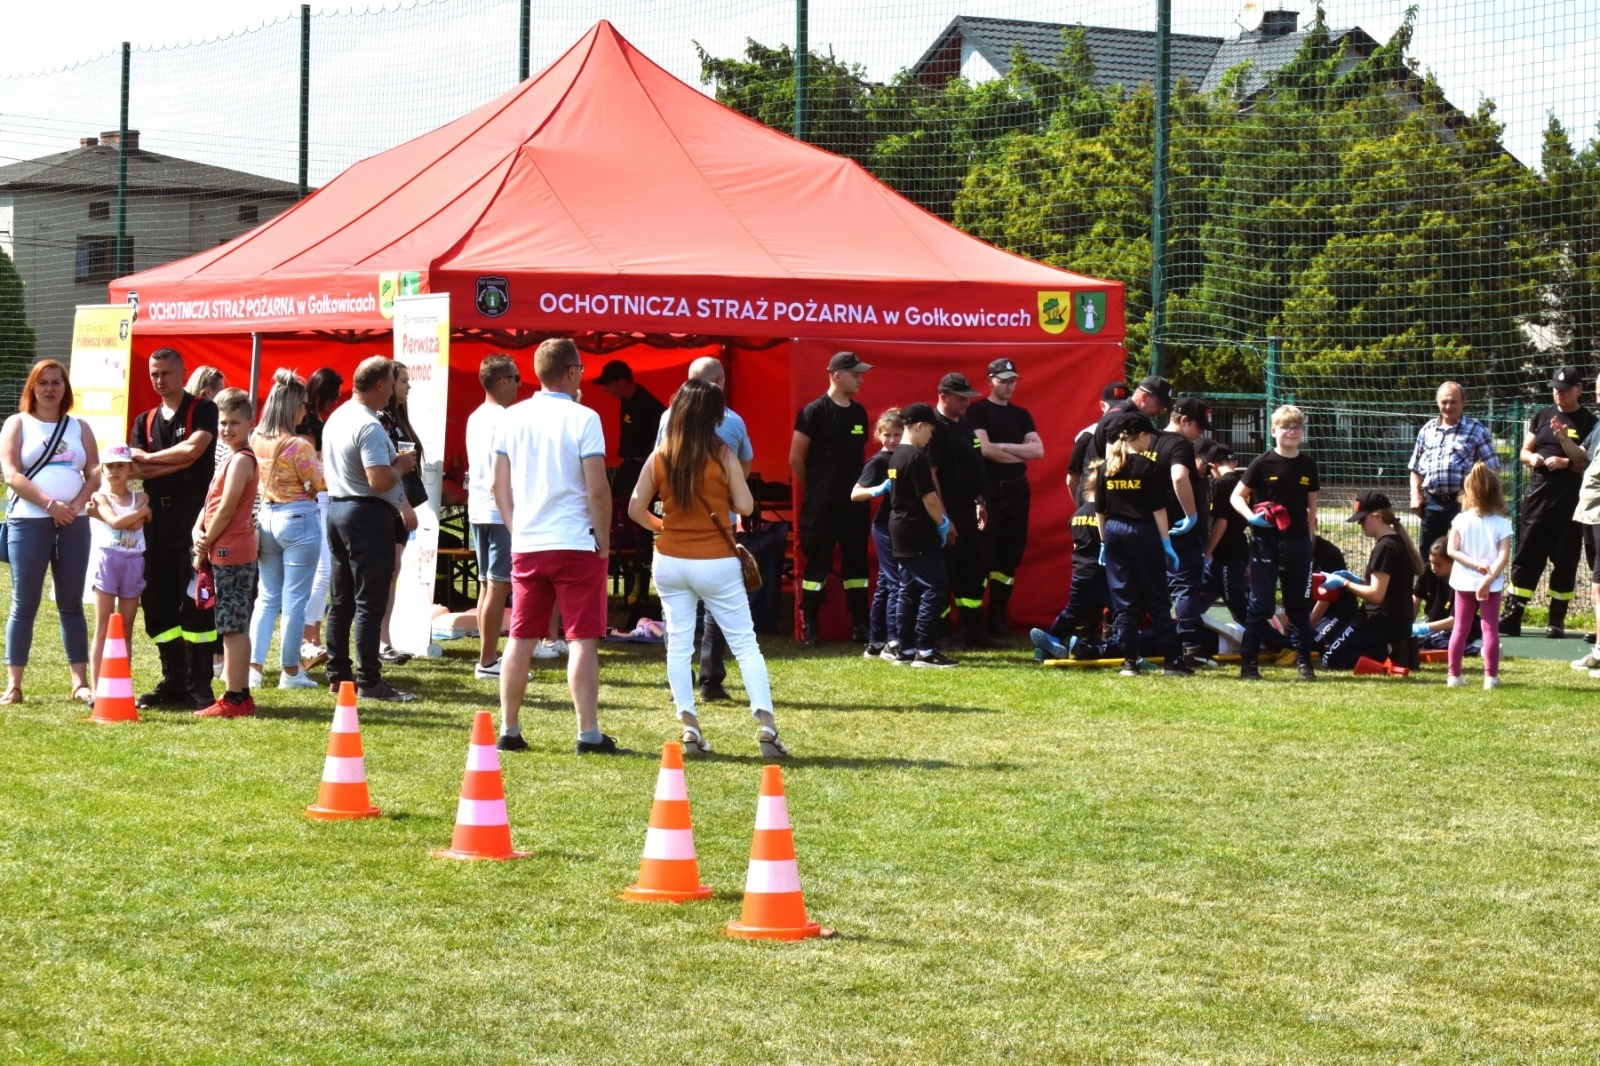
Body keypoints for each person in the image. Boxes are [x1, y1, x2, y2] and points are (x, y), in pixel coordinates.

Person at [628, 379, 785, 758]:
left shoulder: (661, 454)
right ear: (713, 416)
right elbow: (746, 507)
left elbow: (635, 509)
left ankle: (689, 727)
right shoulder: (722, 453)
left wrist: (663, 526)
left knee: (679, 644)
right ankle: (766, 727)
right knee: (746, 644)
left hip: (670, 559)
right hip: (716, 558)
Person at [492, 337, 627, 755]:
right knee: (582, 638)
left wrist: (517, 528)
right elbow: (598, 488)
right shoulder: (585, 418)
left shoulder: (510, 418)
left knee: (521, 637)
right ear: (571, 372)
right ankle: (587, 732)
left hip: (529, 541)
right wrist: (603, 540)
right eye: (582, 369)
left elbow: (499, 484)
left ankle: (509, 728)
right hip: (574, 541)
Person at [655, 356, 755, 700]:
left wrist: (660, 522)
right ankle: (711, 681)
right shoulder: (733, 421)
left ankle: (678, 681)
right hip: (718, 527)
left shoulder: (667, 418)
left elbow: (657, 464)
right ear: (721, 382)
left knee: (675, 612)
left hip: (675, 526)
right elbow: (744, 466)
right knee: (719, 607)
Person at [0, 360, 98, 704]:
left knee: (71, 602)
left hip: (75, 521)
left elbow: (95, 473)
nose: (50, 389)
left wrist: (75, 506)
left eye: (57, 383)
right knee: (24, 603)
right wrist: (50, 505)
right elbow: (11, 474)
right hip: (29, 520)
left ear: (65, 389)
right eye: (43, 383)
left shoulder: (79, 427)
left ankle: (79, 683)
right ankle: (14, 685)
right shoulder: (17, 424)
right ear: (32, 388)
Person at [321, 356, 417, 702]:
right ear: (379, 385)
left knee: (343, 599)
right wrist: (402, 466)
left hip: (338, 510)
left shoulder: (337, 417)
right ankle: (369, 680)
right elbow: (378, 480)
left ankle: (338, 675)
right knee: (369, 602)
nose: (393, 391)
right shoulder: (370, 425)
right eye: (392, 384)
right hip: (366, 513)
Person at [130, 347, 219, 709]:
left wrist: (153, 460)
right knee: (157, 597)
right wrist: (173, 460)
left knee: (196, 596)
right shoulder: (144, 420)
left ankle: (201, 685)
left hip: (193, 514)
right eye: (154, 374)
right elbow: (135, 470)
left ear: (182, 373)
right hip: (155, 517)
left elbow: (194, 451)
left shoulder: (203, 409)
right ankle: (174, 680)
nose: (159, 380)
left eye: (166, 373)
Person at [1503, 366, 1596, 637]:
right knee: (1527, 554)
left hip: (1568, 499)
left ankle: (1556, 620)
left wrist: (1565, 459)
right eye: (1555, 388)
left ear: (1579, 390)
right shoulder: (1542, 415)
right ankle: (1513, 615)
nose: (1558, 393)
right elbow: (1524, 450)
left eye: (1564, 389)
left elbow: (1585, 462)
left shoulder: (1589, 421)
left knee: (1565, 559)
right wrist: (1530, 458)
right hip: (1537, 495)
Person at [247, 369, 325, 691]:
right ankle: (290, 671)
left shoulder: (255, 439)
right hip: (298, 519)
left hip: (267, 517)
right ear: (292, 405)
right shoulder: (298, 445)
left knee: (266, 597)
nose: (306, 410)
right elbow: (320, 483)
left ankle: (253, 667)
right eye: (304, 404)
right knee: (295, 599)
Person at [789, 351, 873, 646]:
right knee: (817, 562)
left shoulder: (859, 413)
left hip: (854, 498)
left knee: (856, 564)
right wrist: (815, 487)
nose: (860, 379)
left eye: (861, 374)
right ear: (836, 375)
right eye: (855, 374)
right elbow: (796, 457)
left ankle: (861, 626)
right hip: (822, 499)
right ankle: (811, 626)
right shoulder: (813, 411)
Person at [1097, 411, 1189, 677]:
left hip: (1114, 532)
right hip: (1143, 531)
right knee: (1157, 596)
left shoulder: (1107, 467)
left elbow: (1100, 511)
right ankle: (1172, 660)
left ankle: (1129, 661)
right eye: (1149, 435)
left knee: (1124, 599)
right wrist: (1166, 543)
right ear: (1140, 435)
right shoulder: (1148, 467)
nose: (1151, 441)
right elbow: (1158, 510)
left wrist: (1104, 543)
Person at [1231, 405, 1319, 682]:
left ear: (1302, 433)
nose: (1291, 432)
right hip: (1265, 541)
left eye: (1296, 428)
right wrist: (1251, 518)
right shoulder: (1262, 462)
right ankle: (1249, 664)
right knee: (1261, 603)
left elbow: (1312, 506)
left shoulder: (1307, 464)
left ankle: (1304, 662)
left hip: (1297, 542)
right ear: (1273, 431)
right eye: (1285, 427)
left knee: (1299, 604)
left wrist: (1310, 536)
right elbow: (1236, 497)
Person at [192, 389, 259, 717]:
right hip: (220, 547)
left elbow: (228, 507)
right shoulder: (228, 457)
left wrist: (204, 543)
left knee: (233, 625)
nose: (227, 428)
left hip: (232, 550)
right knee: (229, 623)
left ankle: (235, 697)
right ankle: (237, 694)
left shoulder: (243, 459)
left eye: (235, 422)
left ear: (250, 423)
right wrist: (197, 529)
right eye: (223, 422)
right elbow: (211, 502)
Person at [969, 357, 1043, 637]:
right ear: (990, 381)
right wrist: (1015, 450)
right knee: (982, 554)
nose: (1010, 386)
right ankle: (972, 623)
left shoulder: (1021, 414)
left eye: (1013, 380)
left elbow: (1038, 452)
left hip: (1017, 490)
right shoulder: (977, 412)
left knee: (1009, 557)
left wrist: (1001, 447)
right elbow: (985, 451)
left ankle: (998, 618)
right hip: (990, 490)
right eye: (1004, 381)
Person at [1408, 382, 1499, 608]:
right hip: (1431, 502)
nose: (1448, 406)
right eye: (1444, 402)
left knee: (1463, 554)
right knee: (1429, 556)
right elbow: (1415, 468)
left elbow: (1492, 469)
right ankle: (1432, 606)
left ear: (1463, 403)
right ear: (1438, 403)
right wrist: (1415, 494)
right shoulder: (1427, 430)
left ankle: (1463, 606)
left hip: (1464, 505)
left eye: (1453, 401)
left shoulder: (1477, 431)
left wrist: (1473, 494)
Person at [1313, 492, 1423, 673]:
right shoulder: (1395, 542)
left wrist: (1344, 583)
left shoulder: (1385, 547)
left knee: (1329, 659)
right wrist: (1355, 580)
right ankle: (1388, 653)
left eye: (1362, 519)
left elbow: (1376, 595)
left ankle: (1384, 657)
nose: (1360, 524)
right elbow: (1385, 588)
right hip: (1394, 622)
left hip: (1377, 622)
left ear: (1377, 517)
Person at [886, 403, 958, 668]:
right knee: (935, 587)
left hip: (900, 528)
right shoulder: (916, 458)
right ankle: (926, 650)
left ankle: (904, 648)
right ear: (919, 426)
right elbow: (929, 498)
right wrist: (942, 523)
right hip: (917, 528)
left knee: (909, 589)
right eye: (930, 429)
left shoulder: (895, 455)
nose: (931, 435)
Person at [595, 358, 666, 622]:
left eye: (608, 384)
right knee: (624, 534)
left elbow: (661, 441)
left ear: (621, 381)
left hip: (641, 472)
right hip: (627, 471)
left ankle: (641, 598)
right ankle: (630, 595)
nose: (605, 390)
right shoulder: (627, 401)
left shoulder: (649, 405)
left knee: (639, 538)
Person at [929, 371, 995, 648]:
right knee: (944, 573)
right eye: (960, 398)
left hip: (969, 509)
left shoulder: (964, 425)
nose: (967, 403)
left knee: (972, 572)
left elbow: (973, 467)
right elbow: (932, 476)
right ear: (943, 397)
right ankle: (939, 632)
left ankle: (973, 631)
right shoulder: (935, 429)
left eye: (968, 398)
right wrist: (944, 519)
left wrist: (979, 501)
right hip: (949, 511)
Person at [467, 354, 520, 680]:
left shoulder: (476, 416)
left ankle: (487, 657)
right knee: (497, 586)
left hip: (479, 508)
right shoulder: (505, 418)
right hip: (499, 510)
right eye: (515, 378)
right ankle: (487, 661)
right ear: (502, 381)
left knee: (488, 585)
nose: (518, 384)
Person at [86, 443, 148, 691]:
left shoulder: (141, 497)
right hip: (108, 560)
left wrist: (135, 514)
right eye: (109, 466)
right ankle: (96, 688)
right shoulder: (100, 497)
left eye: (120, 466)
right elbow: (117, 521)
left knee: (126, 627)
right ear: (101, 470)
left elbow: (129, 525)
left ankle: (120, 687)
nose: (115, 471)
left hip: (134, 561)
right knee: (103, 626)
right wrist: (141, 513)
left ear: (130, 469)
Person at [1030, 464, 1109, 660]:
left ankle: (1049, 640)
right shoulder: (1104, 515)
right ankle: (1124, 646)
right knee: (1120, 610)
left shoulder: (1076, 516)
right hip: (1100, 571)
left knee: (1072, 611)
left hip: (1079, 572)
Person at [1445, 464, 1512, 688]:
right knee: (1490, 627)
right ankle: (1490, 677)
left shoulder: (1460, 520)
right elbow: (1503, 557)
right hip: (1491, 585)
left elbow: (1452, 551)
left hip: (1464, 582)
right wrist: (1487, 579)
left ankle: (1454, 676)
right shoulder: (1502, 524)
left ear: (1468, 491)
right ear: (1496, 492)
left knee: (1460, 628)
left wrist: (1474, 566)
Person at [1156, 397, 1209, 668]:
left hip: (1154, 525)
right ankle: (1191, 645)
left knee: (1157, 589)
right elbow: (1179, 476)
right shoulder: (1180, 445)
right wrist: (1191, 515)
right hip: (1179, 528)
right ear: (1184, 421)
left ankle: (1161, 643)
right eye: (1198, 427)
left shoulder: (1150, 441)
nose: (1201, 433)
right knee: (1186, 585)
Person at [377, 363, 424, 663]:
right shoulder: (382, 419)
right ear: (389, 384)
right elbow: (385, 465)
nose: (408, 387)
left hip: (400, 503)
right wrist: (404, 503)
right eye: (404, 381)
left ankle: (385, 640)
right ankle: (380, 641)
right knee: (386, 572)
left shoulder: (399, 418)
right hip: (390, 504)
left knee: (393, 572)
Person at [298, 367, 343, 671]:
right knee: (322, 572)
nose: (336, 400)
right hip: (316, 499)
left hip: (324, 498)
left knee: (322, 573)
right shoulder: (307, 424)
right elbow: (308, 465)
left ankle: (310, 638)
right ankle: (305, 638)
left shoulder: (319, 422)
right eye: (334, 395)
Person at [852, 407, 904, 660]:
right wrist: (877, 490)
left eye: (897, 434)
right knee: (896, 583)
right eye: (887, 435)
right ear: (878, 436)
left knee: (885, 585)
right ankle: (893, 640)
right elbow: (855, 493)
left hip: (897, 526)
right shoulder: (879, 461)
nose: (892, 440)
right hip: (884, 527)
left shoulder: (903, 456)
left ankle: (875, 643)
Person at [1200, 440, 1248, 626]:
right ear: (1234, 462)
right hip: (1238, 546)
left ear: (1212, 466)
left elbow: (1221, 522)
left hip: (1226, 552)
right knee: (1201, 596)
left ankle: (1268, 640)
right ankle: (1185, 629)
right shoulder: (1243, 484)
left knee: (1236, 601)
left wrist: (1207, 552)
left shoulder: (1220, 484)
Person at [1067, 382, 1130, 501]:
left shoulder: (1139, 433)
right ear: (1102, 406)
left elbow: (1071, 480)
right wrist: (1083, 506)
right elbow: (1072, 478)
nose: (1118, 412)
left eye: (1121, 407)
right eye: (1113, 407)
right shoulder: (1087, 435)